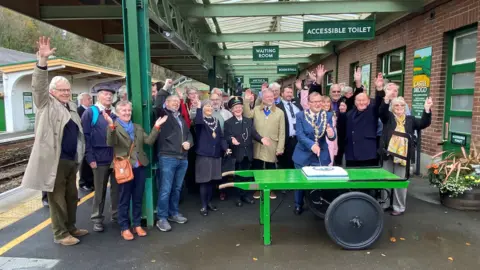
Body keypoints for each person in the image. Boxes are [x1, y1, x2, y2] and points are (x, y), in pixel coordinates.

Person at [22, 36, 88, 246]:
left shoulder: (71, 107)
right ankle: (60, 234)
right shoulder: (46, 104)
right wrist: (42, 61)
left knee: (71, 197)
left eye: (68, 90)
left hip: (70, 161)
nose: (66, 93)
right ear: (52, 92)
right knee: (57, 200)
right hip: (55, 161)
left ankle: (71, 227)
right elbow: (38, 86)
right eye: (62, 90)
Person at [104, 100, 168, 240]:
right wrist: (110, 125)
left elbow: (149, 141)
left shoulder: (137, 127)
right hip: (124, 169)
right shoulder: (114, 127)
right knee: (124, 199)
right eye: (124, 111)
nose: (127, 113)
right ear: (117, 113)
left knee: (138, 197)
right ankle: (124, 227)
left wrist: (156, 127)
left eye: (129, 110)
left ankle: (137, 224)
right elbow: (111, 142)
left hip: (139, 166)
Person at [379, 92, 432, 216]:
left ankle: (398, 207)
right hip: (388, 153)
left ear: (405, 107)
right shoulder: (388, 118)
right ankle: (385, 203)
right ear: (392, 107)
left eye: (401, 106)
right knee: (385, 180)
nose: (399, 108)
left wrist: (427, 109)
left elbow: (423, 123)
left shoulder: (410, 119)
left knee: (400, 182)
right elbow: (382, 112)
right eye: (396, 106)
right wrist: (386, 98)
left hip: (403, 156)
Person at [81, 83, 118, 233]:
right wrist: (90, 158)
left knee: (117, 189)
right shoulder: (91, 112)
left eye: (110, 94)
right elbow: (85, 136)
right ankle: (97, 218)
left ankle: (116, 215)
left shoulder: (115, 113)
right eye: (104, 93)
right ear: (98, 96)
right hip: (99, 158)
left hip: (115, 158)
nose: (108, 96)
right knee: (100, 190)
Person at [292, 92, 336, 215]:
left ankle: (317, 205)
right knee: (300, 182)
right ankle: (298, 204)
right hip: (303, 154)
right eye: (314, 101)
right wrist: (311, 145)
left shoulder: (327, 115)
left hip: (320, 155)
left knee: (318, 182)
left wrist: (331, 134)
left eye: (319, 101)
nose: (317, 104)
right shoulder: (300, 115)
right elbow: (300, 135)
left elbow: (331, 135)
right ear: (309, 103)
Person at [155, 95, 193, 232]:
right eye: (173, 101)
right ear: (166, 103)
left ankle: (173, 213)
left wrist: (189, 142)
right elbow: (157, 104)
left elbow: (189, 134)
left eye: (178, 102)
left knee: (177, 188)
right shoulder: (162, 114)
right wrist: (165, 88)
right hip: (167, 157)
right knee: (165, 188)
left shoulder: (181, 118)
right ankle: (162, 218)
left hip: (182, 157)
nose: (176, 104)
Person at [224, 96, 270, 207]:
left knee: (247, 175)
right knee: (238, 176)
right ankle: (238, 197)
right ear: (231, 110)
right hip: (237, 153)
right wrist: (231, 139)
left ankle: (245, 195)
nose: (238, 109)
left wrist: (261, 139)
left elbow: (254, 133)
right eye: (235, 108)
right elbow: (226, 136)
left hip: (248, 152)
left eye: (240, 107)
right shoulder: (228, 123)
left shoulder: (248, 121)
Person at [244, 89, 285, 200]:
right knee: (257, 167)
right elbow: (247, 115)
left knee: (271, 168)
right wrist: (246, 101)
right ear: (262, 98)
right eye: (267, 97)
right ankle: (258, 188)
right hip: (258, 143)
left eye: (271, 96)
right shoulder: (257, 109)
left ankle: (270, 189)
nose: (270, 98)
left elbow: (282, 132)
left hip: (272, 144)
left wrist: (280, 147)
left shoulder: (279, 112)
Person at [337, 74, 385, 167]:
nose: (361, 102)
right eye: (359, 100)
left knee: (367, 180)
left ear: (369, 101)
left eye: (364, 100)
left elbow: (379, 102)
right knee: (353, 179)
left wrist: (379, 89)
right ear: (355, 102)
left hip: (367, 154)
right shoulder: (350, 113)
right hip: (351, 154)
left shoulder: (372, 110)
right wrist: (342, 114)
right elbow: (342, 129)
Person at [194, 100, 228, 216]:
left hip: (216, 154)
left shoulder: (216, 121)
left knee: (212, 181)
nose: (209, 108)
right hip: (204, 155)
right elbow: (198, 122)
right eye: (206, 106)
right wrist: (198, 108)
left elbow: (222, 137)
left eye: (210, 106)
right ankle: (203, 206)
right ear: (203, 109)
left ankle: (209, 202)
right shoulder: (200, 121)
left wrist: (225, 148)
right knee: (204, 181)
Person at [276, 86, 302, 170]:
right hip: (285, 141)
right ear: (282, 94)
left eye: (291, 92)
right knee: (285, 166)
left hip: (298, 140)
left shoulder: (297, 105)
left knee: (297, 164)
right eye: (287, 92)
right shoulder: (277, 107)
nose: (289, 94)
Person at [77, 92, 94, 191]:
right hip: (83, 139)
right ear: (82, 100)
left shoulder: (90, 110)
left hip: (90, 138)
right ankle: (83, 182)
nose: (90, 100)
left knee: (89, 162)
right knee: (84, 162)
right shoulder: (79, 111)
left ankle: (90, 181)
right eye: (88, 99)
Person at [323, 96, 338, 166]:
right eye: (324, 102)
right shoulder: (317, 116)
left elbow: (335, 132)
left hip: (331, 144)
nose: (326, 104)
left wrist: (335, 148)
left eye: (328, 102)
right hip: (322, 144)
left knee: (329, 165)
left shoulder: (332, 115)